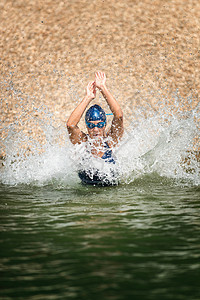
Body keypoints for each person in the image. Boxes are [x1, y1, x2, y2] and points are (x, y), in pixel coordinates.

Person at [67, 71, 124, 185]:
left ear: (104, 124)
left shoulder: (111, 141)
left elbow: (119, 116)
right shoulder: (82, 142)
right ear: (87, 126)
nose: (96, 129)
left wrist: (103, 88)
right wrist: (88, 97)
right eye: (91, 125)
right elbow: (71, 125)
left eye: (100, 125)